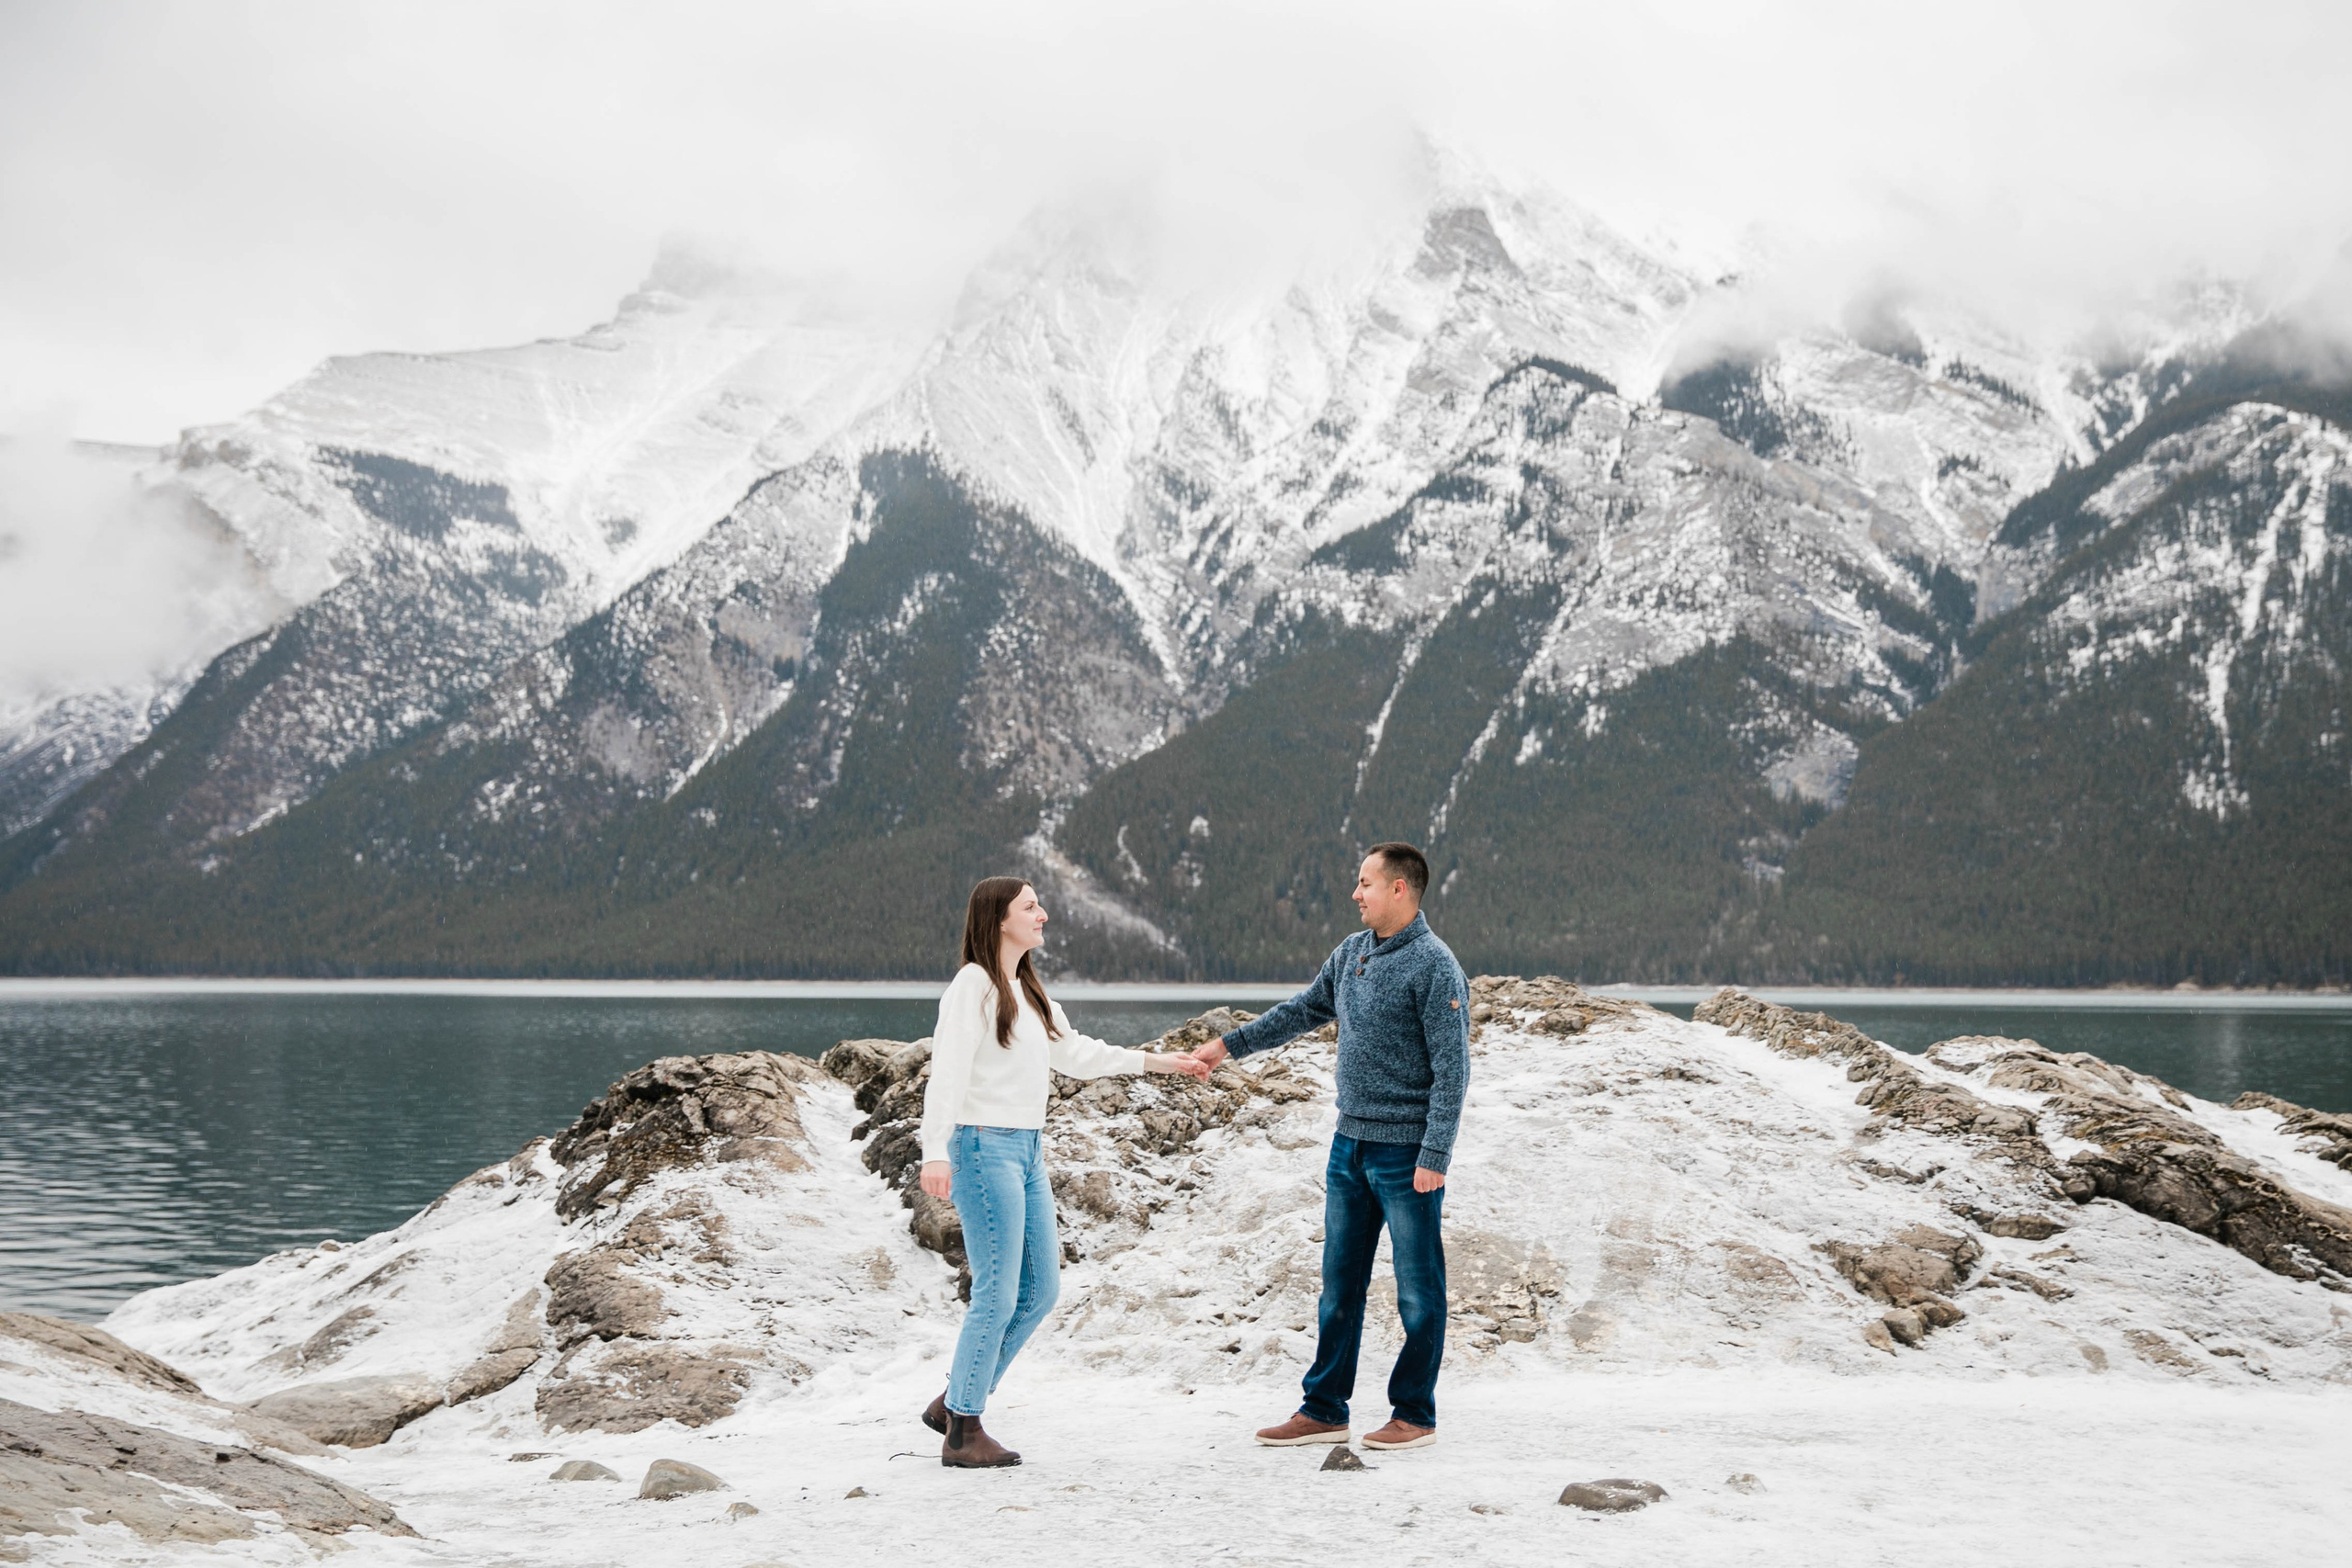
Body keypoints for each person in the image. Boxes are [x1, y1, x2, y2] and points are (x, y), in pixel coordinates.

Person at [916, 875, 1211, 1468]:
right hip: (981, 1146)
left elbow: (1077, 1055)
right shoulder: (972, 986)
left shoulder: (1027, 990)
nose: (1043, 914)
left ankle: (956, 1402)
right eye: (1031, 906)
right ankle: (964, 1433)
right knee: (997, 1294)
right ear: (999, 918)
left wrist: (1160, 1062)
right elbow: (945, 1073)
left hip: (1026, 1151)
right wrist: (934, 1150)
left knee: (1041, 1290)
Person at [1186, 841, 1468, 1452]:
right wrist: (1227, 1046)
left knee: (1420, 1288)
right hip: (1350, 1147)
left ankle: (1414, 1413)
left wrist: (1434, 1156)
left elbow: (1453, 1070)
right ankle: (1324, 1407)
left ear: (1399, 889)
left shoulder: (1435, 965)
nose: (1354, 892)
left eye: (1365, 882)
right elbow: (1303, 1010)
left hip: (1406, 1155)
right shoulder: (1352, 953)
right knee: (1339, 1284)